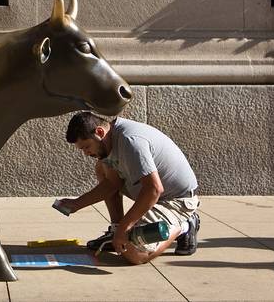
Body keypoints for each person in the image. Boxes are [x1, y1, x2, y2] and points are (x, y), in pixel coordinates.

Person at [57, 112, 200, 265]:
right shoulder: (111, 138)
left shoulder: (130, 141)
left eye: (86, 147)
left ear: (99, 132)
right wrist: (77, 203)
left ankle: (185, 224)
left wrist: (125, 228)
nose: (86, 153)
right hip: (152, 193)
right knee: (102, 167)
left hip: (176, 200)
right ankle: (115, 230)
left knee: (133, 253)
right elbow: (112, 184)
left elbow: (153, 189)